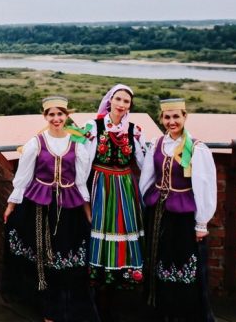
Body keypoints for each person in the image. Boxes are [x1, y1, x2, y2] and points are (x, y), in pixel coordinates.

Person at [4, 95, 98, 322]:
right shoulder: (36, 143)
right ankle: (45, 306)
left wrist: (87, 211)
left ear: (67, 116)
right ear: (45, 116)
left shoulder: (77, 144)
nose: (56, 118)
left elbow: (80, 181)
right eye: (52, 114)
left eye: (60, 114)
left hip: (68, 207)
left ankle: (63, 306)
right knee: (41, 254)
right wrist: (11, 205)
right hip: (39, 206)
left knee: (64, 254)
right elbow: (23, 178)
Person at [139, 98, 217, 321]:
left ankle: (181, 313)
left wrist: (201, 223)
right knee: (157, 258)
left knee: (181, 260)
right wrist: (146, 202)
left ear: (185, 117)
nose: (171, 121)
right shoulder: (156, 144)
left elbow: (204, 185)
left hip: (182, 215)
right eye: (167, 117)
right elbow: (147, 177)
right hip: (158, 213)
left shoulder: (196, 148)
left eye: (176, 117)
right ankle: (159, 309)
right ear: (161, 119)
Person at [85, 84, 147, 320]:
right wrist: (82, 195)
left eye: (126, 101)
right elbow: (84, 161)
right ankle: (98, 293)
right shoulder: (94, 126)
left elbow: (144, 163)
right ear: (110, 101)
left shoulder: (134, 131)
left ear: (130, 106)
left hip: (125, 188)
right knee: (100, 230)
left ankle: (117, 292)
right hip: (100, 185)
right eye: (118, 99)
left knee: (123, 231)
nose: (121, 104)